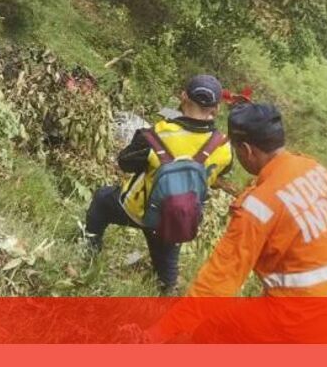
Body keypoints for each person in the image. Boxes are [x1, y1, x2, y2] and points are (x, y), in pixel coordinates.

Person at [150, 102, 327, 342]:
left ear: (247, 150)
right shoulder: (316, 170)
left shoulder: (257, 209)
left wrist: (161, 331)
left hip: (302, 318)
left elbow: (218, 282)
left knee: (212, 329)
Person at [85, 75, 234, 295]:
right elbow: (221, 172)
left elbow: (125, 162)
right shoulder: (222, 146)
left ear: (183, 96)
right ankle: (167, 290)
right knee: (167, 273)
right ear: (217, 108)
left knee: (101, 200)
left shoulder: (157, 133)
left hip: (137, 209)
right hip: (176, 220)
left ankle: (89, 251)